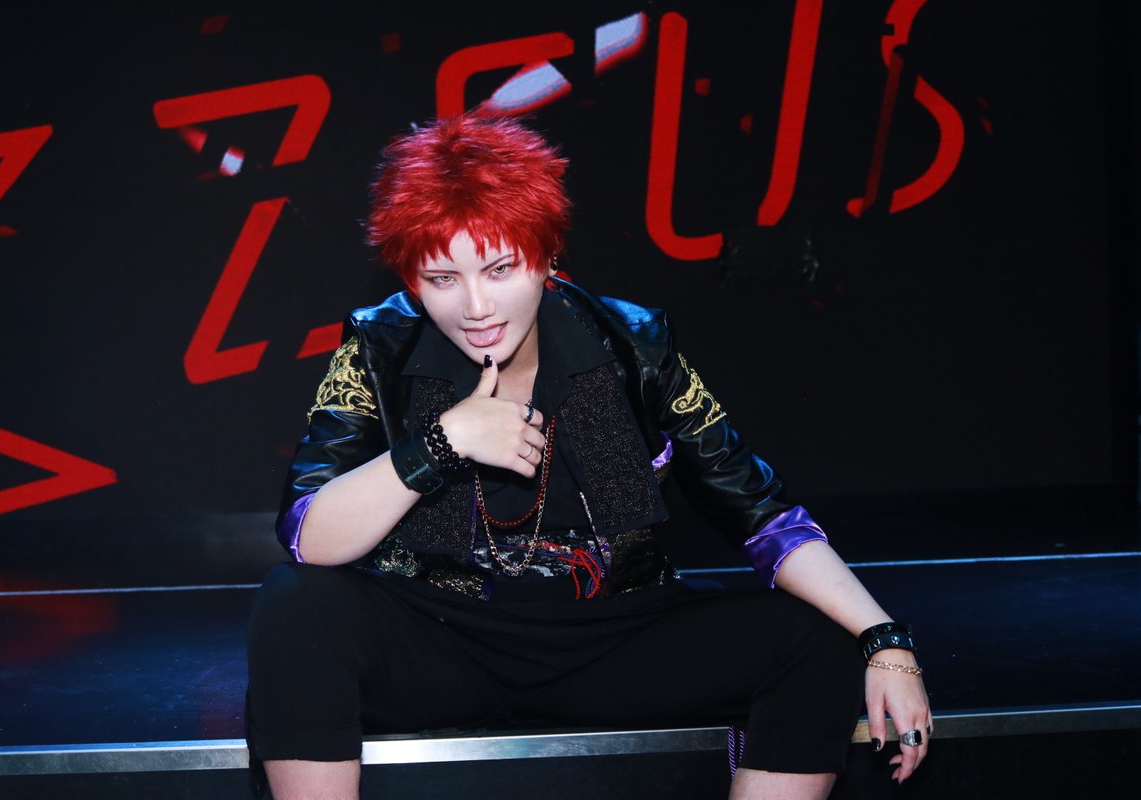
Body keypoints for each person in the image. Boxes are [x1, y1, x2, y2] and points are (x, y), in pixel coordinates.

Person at [246, 114, 932, 800]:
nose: (477, 306)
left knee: (816, 637)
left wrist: (885, 640)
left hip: (614, 640)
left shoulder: (633, 345)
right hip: (443, 638)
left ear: (547, 258)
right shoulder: (380, 346)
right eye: (443, 278)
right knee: (295, 605)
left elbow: (761, 514)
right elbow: (309, 537)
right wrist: (440, 443)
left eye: (500, 268)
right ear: (412, 281)